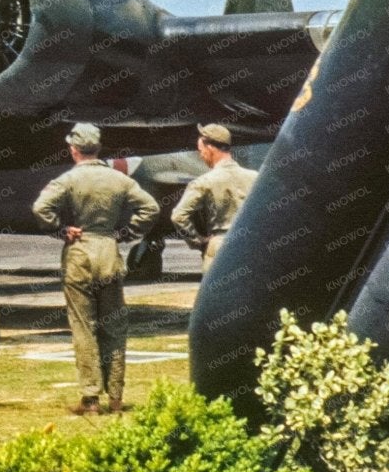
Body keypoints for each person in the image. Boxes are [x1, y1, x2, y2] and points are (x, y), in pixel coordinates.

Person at [32, 121, 159, 416]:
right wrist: (127, 233)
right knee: (114, 326)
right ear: (99, 148)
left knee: (83, 327)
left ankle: (90, 398)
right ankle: (116, 396)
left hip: (79, 254)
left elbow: (41, 208)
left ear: (74, 150)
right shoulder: (119, 181)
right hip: (109, 252)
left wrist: (61, 230)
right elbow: (150, 207)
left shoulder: (67, 180)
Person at [169, 123, 257, 277]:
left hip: (219, 245)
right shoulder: (255, 177)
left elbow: (178, 216)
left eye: (201, 151)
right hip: (251, 245)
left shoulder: (203, 182)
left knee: (220, 296)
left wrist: (198, 241)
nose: (201, 156)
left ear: (210, 148)